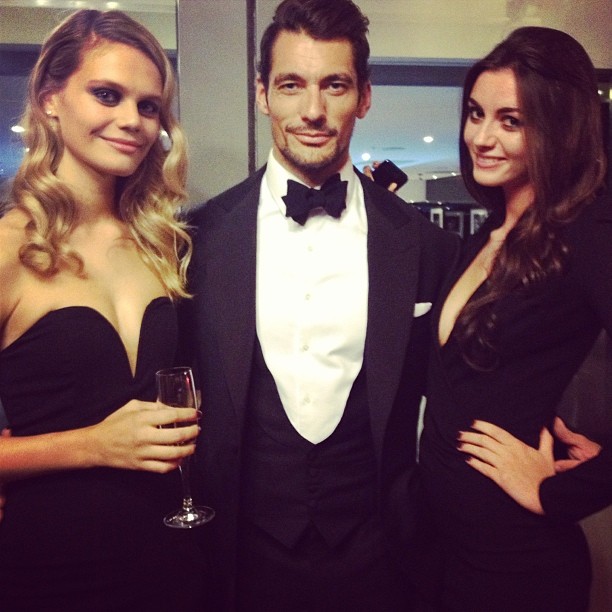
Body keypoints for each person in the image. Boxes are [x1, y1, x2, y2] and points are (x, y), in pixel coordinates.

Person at [181, 0, 459, 609]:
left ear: (364, 96)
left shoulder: (427, 246)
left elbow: (460, 389)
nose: (313, 110)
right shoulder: (198, 240)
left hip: (383, 558)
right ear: (263, 94)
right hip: (240, 560)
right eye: (291, 85)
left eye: (334, 85)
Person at [0, 10, 206, 611]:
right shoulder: (11, 248)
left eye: (149, 106)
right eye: (107, 95)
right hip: (54, 568)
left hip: (173, 556)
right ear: (51, 100)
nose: (132, 121)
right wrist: (92, 444)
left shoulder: (161, 243)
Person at [418, 26, 612, 611]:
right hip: (447, 546)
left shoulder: (589, 233)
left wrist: (563, 493)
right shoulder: (490, 231)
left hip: (515, 559)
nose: (481, 137)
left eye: (511, 121)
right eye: (476, 114)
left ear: (558, 129)